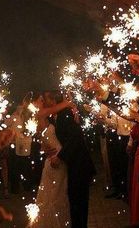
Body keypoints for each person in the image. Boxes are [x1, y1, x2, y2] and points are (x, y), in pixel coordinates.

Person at [44, 91, 95, 228]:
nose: (44, 102)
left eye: (46, 99)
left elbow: (75, 138)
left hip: (79, 164)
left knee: (79, 202)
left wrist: (60, 156)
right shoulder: (58, 115)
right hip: (72, 164)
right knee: (74, 202)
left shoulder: (65, 114)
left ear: (53, 101)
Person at [30, 91, 74, 228]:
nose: (43, 101)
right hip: (56, 159)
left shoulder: (46, 116)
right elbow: (62, 105)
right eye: (41, 99)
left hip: (57, 157)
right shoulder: (41, 114)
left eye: (44, 99)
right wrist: (68, 101)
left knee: (58, 195)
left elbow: (44, 139)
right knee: (54, 197)